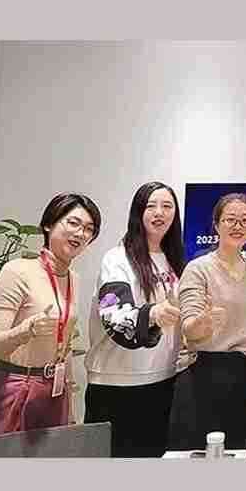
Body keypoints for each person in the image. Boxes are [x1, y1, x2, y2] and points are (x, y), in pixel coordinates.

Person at [0, 193, 101, 438]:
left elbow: (64, 346)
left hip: (54, 393)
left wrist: (69, 406)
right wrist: (25, 331)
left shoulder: (73, 279)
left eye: (89, 229)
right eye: (73, 223)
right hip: (14, 389)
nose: (81, 233)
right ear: (48, 224)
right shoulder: (18, 271)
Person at [84, 182, 185, 457]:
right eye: (151, 205)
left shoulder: (175, 260)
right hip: (117, 384)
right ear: (138, 212)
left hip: (164, 379)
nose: (159, 212)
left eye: (167, 206)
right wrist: (153, 313)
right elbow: (113, 314)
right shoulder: (117, 259)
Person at [176, 193, 246, 450]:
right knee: (202, 451)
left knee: (238, 448)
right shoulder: (198, 268)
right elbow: (188, 328)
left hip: (244, 373)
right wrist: (202, 322)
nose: (238, 226)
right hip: (204, 371)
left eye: (245, 220)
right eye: (230, 219)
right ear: (216, 225)